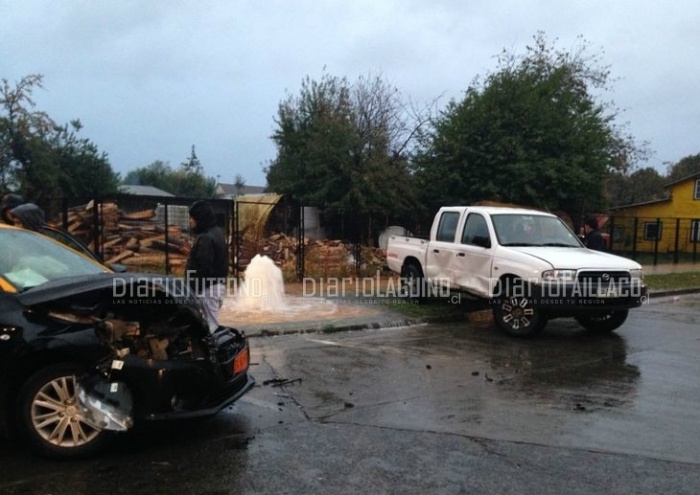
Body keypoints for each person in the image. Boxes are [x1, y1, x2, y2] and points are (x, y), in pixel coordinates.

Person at [186, 200, 228, 332]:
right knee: (209, 323)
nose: (190, 221)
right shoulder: (217, 233)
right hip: (214, 287)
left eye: (192, 218)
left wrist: (191, 290)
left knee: (210, 326)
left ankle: (211, 351)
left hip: (207, 290)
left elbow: (203, 269)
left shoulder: (205, 238)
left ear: (200, 218)